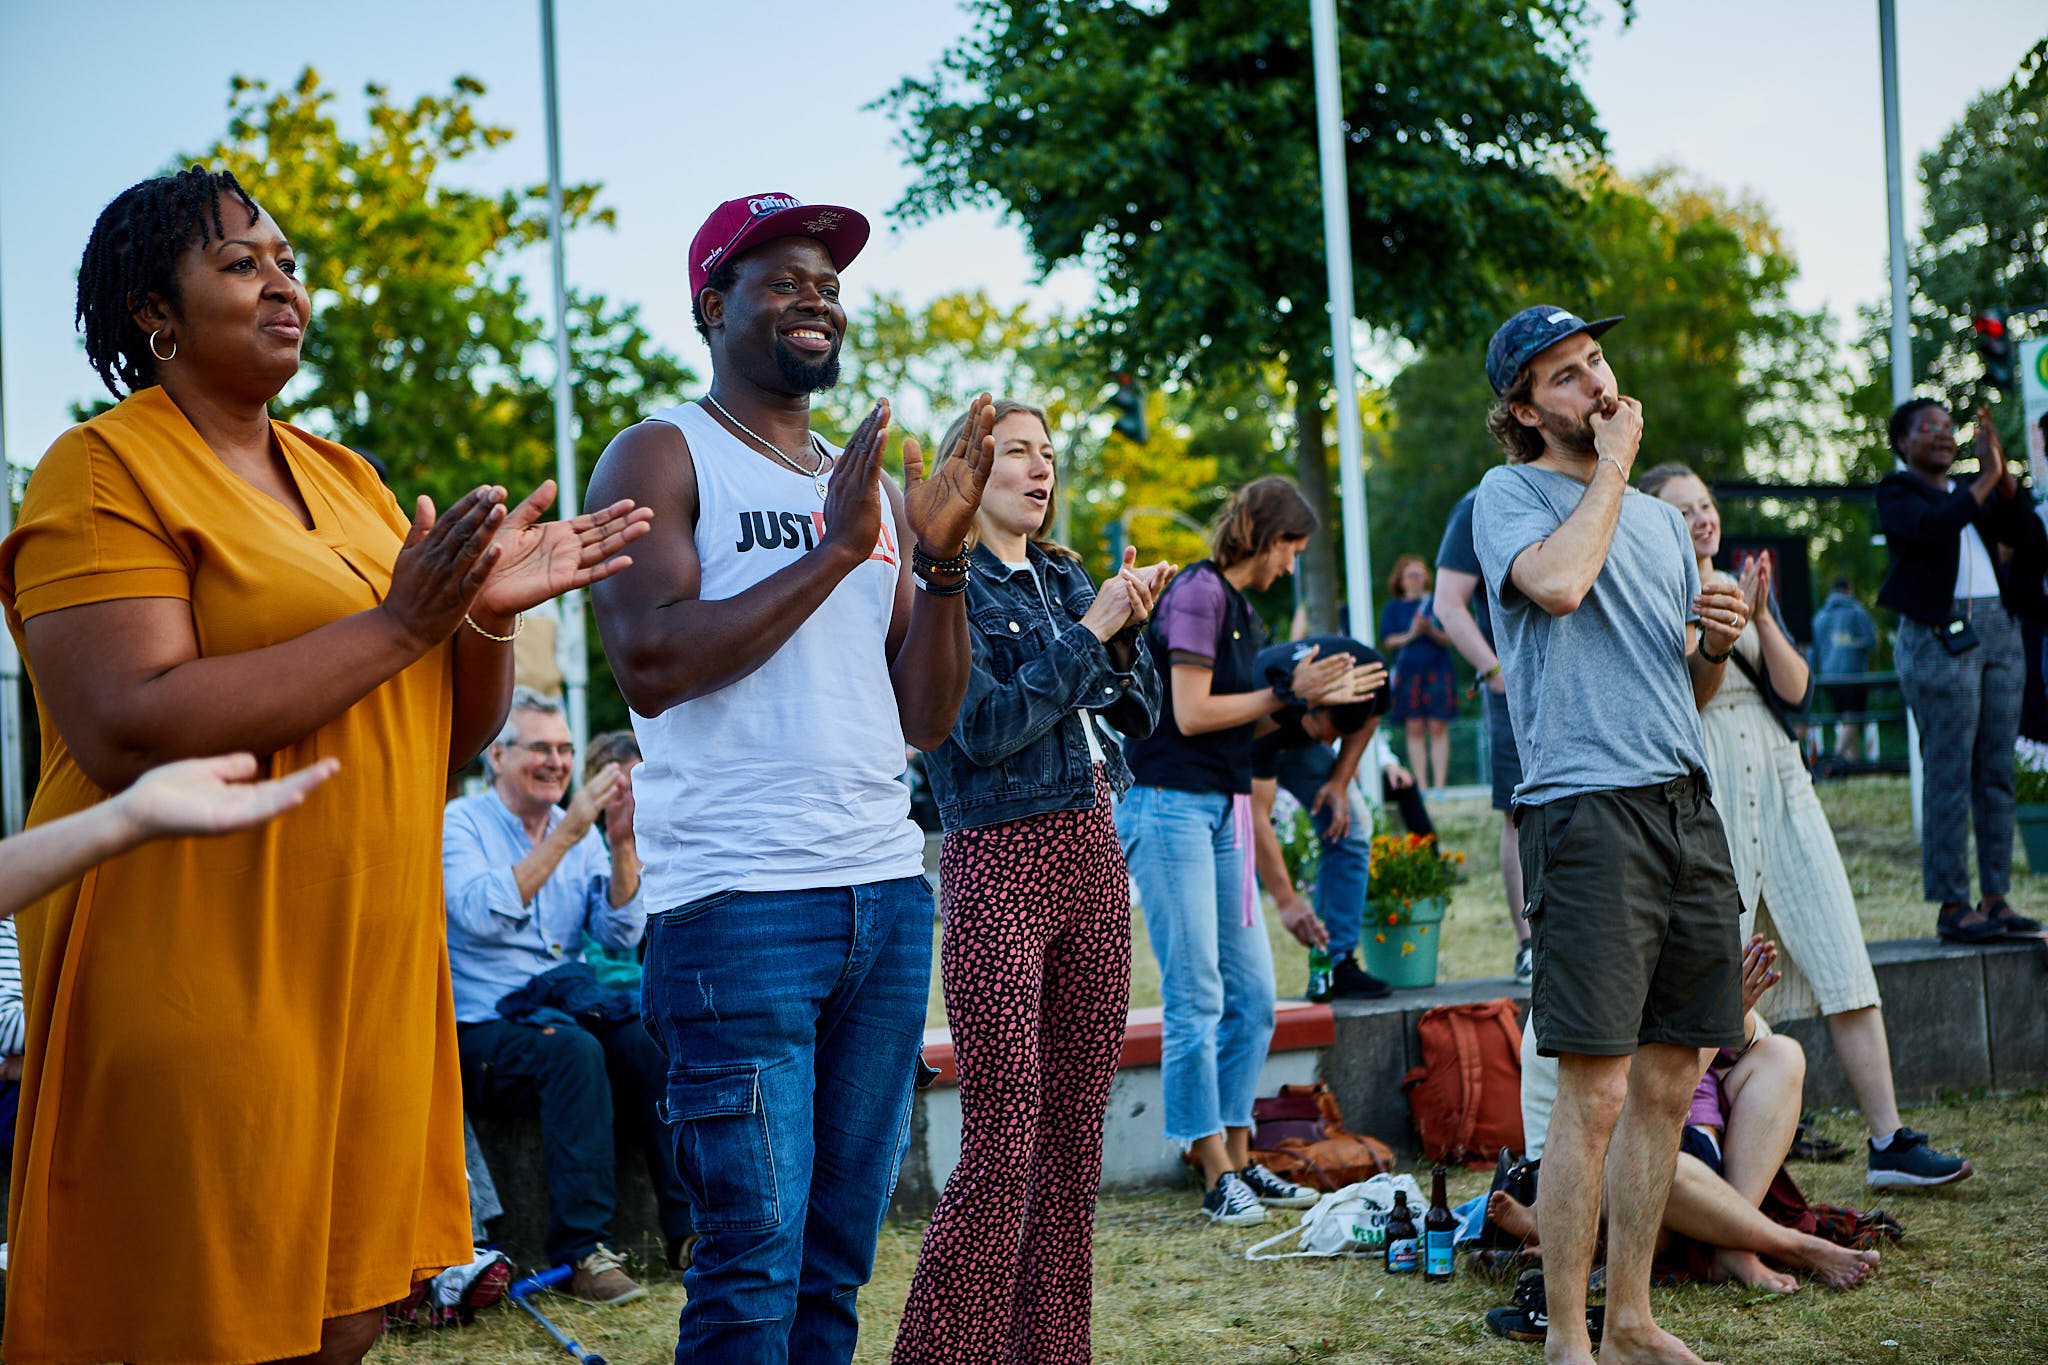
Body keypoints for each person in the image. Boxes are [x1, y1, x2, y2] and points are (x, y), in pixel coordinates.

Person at [0, 166, 649, 1365]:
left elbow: (434, 737)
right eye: (241, 263)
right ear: (155, 309)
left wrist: (482, 618)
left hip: (361, 960)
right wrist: (400, 627)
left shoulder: (344, 475)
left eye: (288, 261)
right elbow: (125, 721)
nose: (281, 283)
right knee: (203, 1318)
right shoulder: (99, 470)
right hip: (200, 950)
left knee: (342, 1313)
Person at [585, 191, 993, 1365]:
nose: (814, 296)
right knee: (750, 1261)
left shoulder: (855, 482)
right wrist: (828, 550)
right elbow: (653, 662)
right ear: (713, 306)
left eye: (827, 282)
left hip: (881, 895)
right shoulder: (662, 451)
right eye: (780, 279)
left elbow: (922, 713)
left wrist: (943, 560)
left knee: (833, 1262)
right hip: (738, 912)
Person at [1472, 304, 1751, 1365]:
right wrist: (1609, 472)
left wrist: (1715, 641)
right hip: (1583, 810)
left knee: (1672, 1076)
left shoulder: (1646, 519)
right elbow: (1554, 586)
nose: (1593, 386)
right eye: (1562, 377)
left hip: (1682, 801)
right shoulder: (1508, 497)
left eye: (1594, 363)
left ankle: (1630, 1318)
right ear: (1522, 409)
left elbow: (1685, 678)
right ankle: (1564, 1335)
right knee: (1592, 1089)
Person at [892, 398, 1167, 1365]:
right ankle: (941, 1353)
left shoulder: (1065, 574)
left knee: (1075, 1140)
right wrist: (1093, 637)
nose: (1041, 470)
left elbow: (1134, 716)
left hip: (1093, 846)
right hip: (998, 861)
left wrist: (1128, 629)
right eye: (1018, 453)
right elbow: (986, 728)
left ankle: (1053, 1351)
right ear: (977, 470)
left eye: (1050, 454)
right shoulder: (946, 587)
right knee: (1006, 1138)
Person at [1643, 464, 1971, 1189]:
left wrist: (1759, 615)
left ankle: (1889, 1139)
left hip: (1782, 779)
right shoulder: (1650, 593)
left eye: (1705, 503)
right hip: (1711, 784)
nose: (1701, 517)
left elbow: (1795, 689)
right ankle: (1694, 1134)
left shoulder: (1744, 581)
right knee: (1714, 968)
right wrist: (1716, 631)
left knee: (1838, 947)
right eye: (1682, 509)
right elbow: (1687, 700)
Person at [1117, 476, 1368, 1227]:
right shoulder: (1200, 592)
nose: (1293, 562)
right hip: (1166, 807)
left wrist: (1315, 708)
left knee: (1255, 997)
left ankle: (1239, 1150)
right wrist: (1285, 695)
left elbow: (1241, 726)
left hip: (1219, 810)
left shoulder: (1246, 613)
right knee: (1197, 995)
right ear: (1262, 533)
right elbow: (1192, 713)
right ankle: (1210, 1164)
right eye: (1291, 545)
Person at [443, 689, 694, 1303]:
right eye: (540, 749)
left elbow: (618, 933)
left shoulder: (575, 829)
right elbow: (481, 913)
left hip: (560, 1007)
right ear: (497, 757)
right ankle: (584, 1252)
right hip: (483, 1030)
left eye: (563, 749)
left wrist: (623, 846)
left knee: (645, 1037)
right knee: (573, 1052)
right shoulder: (461, 824)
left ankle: (690, 1233)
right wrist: (574, 829)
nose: (555, 761)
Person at [1501, 937, 1882, 1294]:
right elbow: (1648, 1114)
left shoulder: (1683, 982)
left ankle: (1733, 1243)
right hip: (1615, 1179)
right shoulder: (1581, 1002)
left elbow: (1749, 1046)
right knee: (1656, 1168)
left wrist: (1730, 1012)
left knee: (1782, 1054)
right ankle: (1793, 1246)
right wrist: (1717, 1023)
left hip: (1704, 1157)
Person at [1877, 399, 2047, 942]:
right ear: (1903, 442)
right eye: (1930, 428)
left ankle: (1995, 898)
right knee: (1949, 772)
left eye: (1951, 429)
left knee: (1995, 772)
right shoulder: (1899, 492)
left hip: (1999, 630)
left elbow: (2033, 540)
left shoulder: (1976, 494)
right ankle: (1953, 904)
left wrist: (2003, 482)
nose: (1944, 436)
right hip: (1938, 633)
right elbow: (1933, 528)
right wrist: (1987, 480)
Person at [1247, 634, 1394, 999]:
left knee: (1351, 827)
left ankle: (1336, 962)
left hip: (1295, 733)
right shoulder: (1271, 691)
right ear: (1313, 705)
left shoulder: (1371, 674)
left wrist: (1340, 782)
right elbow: (1256, 815)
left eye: (1335, 739)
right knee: (1233, 843)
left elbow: (1370, 718)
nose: (1327, 744)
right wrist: (1287, 900)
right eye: (1323, 733)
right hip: (1248, 733)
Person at [1435, 484, 1535, 984]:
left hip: (1590, 688)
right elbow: (1447, 604)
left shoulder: (1596, 489)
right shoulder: (1477, 503)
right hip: (1515, 694)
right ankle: (1530, 946)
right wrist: (1494, 671)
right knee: (1521, 816)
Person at [1379, 555, 1456, 791]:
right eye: (1411, 574)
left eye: (1420, 573)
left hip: (1437, 670)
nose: (1416, 579)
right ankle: (1422, 786)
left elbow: (1452, 637)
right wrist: (1413, 633)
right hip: (1408, 673)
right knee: (1414, 727)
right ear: (1400, 580)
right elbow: (1388, 640)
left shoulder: (1438, 602)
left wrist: (1430, 630)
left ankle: (1439, 786)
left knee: (1437, 726)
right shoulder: (1393, 607)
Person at [1809, 575, 1878, 762]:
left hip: (1829, 678)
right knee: (1852, 719)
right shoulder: (1857, 612)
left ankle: (1850, 766)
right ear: (1849, 589)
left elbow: (1812, 652)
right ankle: (1835, 760)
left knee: (1845, 720)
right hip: (1854, 676)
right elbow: (1872, 641)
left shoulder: (1820, 617)